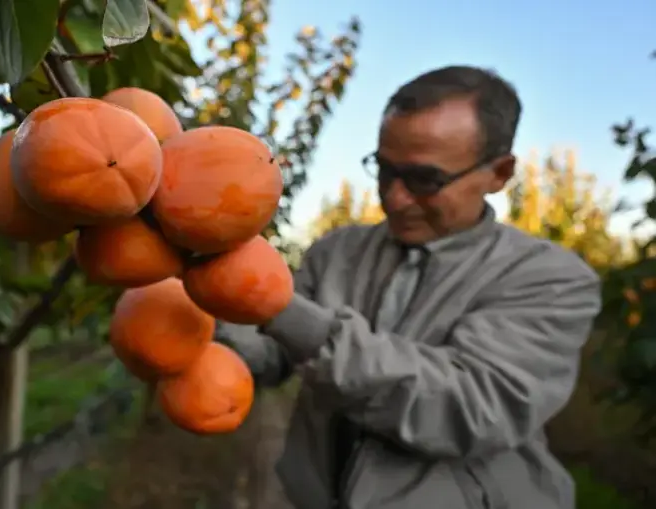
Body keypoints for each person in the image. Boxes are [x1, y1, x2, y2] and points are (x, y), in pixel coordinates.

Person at [216, 65, 602, 509]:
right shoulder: (336, 252)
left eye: (424, 180)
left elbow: (468, 407)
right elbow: (272, 353)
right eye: (384, 170)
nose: (395, 197)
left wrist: (280, 309)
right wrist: (204, 328)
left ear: (499, 172)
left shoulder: (550, 279)